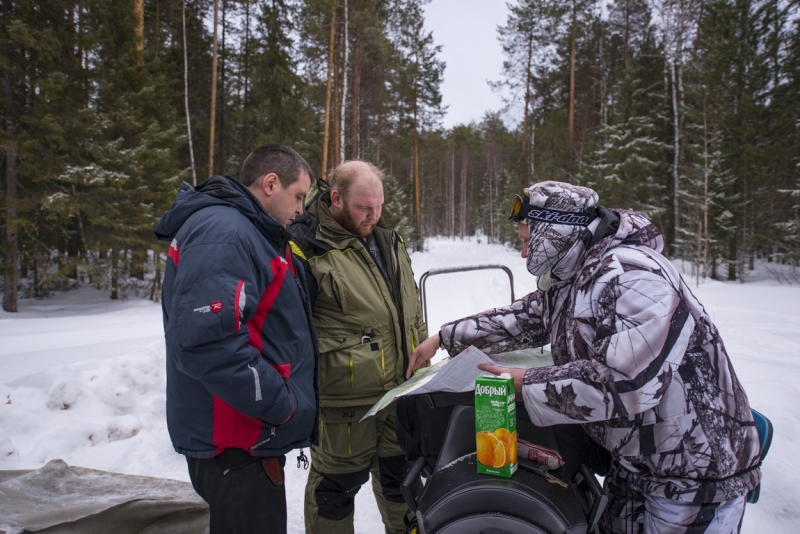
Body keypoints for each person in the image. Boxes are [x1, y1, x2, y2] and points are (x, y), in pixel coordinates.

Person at [407, 181, 762, 534]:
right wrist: (443, 337)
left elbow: (627, 384)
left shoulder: (631, 276)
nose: (522, 253)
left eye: (527, 241)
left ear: (554, 230)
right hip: (638, 467)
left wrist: (523, 383)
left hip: (692, 477)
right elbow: (525, 318)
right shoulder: (577, 275)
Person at [154, 144, 319, 534]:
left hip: (247, 437)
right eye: (298, 196)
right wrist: (283, 406)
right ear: (270, 183)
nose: (301, 210)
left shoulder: (246, 230)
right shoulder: (224, 232)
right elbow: (207, 342)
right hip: (237, 441)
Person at [288, 160, 428, 534]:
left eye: (378, 206)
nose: (373, 215)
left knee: (405, 487)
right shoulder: (307, 246)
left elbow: (409, 309)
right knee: (334, 494)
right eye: (364, 207)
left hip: (398, 395)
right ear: (336, 198)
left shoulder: (388, 239)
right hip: (344, 409)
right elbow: (291, 332)